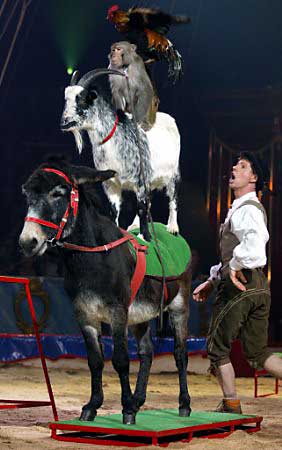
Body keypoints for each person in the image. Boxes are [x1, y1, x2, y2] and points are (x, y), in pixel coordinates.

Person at [193, 152, 282, 414]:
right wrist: (212, 281)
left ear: (253, 178)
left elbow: (255, 244)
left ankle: (231, 404)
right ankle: (230, 401)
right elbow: (236, 253)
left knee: (216, 347)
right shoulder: (241, 208)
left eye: (242, 166)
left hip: (240, 287)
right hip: (257, 287)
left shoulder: (247, 209)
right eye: (235, 164)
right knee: (258, 353)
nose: (234, 168)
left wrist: (232, 267)